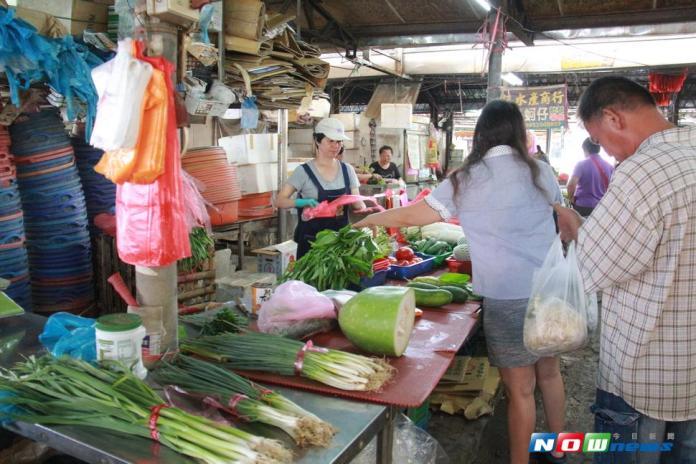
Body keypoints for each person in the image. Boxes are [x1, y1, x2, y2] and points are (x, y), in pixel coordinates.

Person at [355, 100, 566, 464]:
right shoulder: (541, 172)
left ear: (480, 135)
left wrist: (368, 220)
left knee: (520, 391)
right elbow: (558, 220)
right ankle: (562, 447)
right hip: (549, 290)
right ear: (518, 133)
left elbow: (412, 215)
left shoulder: (466, 178)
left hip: (508, 295)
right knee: (549, 373)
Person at [554, 76, 696, 463]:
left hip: (645, 371)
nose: (610, 154)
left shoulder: (643, 172)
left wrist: (577, 230)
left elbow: (597, 266)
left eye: (600, 139)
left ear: (614, 118)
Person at [276, 117, 366, 258]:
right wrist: (301, 202)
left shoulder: (348, 170)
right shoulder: (303, 171)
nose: (336, 146)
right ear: (317, 141)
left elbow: (357, 204)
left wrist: (364, 206)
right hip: (312, 244)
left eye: (339, 142)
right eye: (331, 141)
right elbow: (280, 201)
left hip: (341, 243)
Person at [566, 138, 613, 217]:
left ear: (585, 149)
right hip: (601, 207)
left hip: (583, 207)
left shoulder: (581, 164)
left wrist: (571, 199)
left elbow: (571, 185)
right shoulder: (609, 166)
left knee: (581, 228)